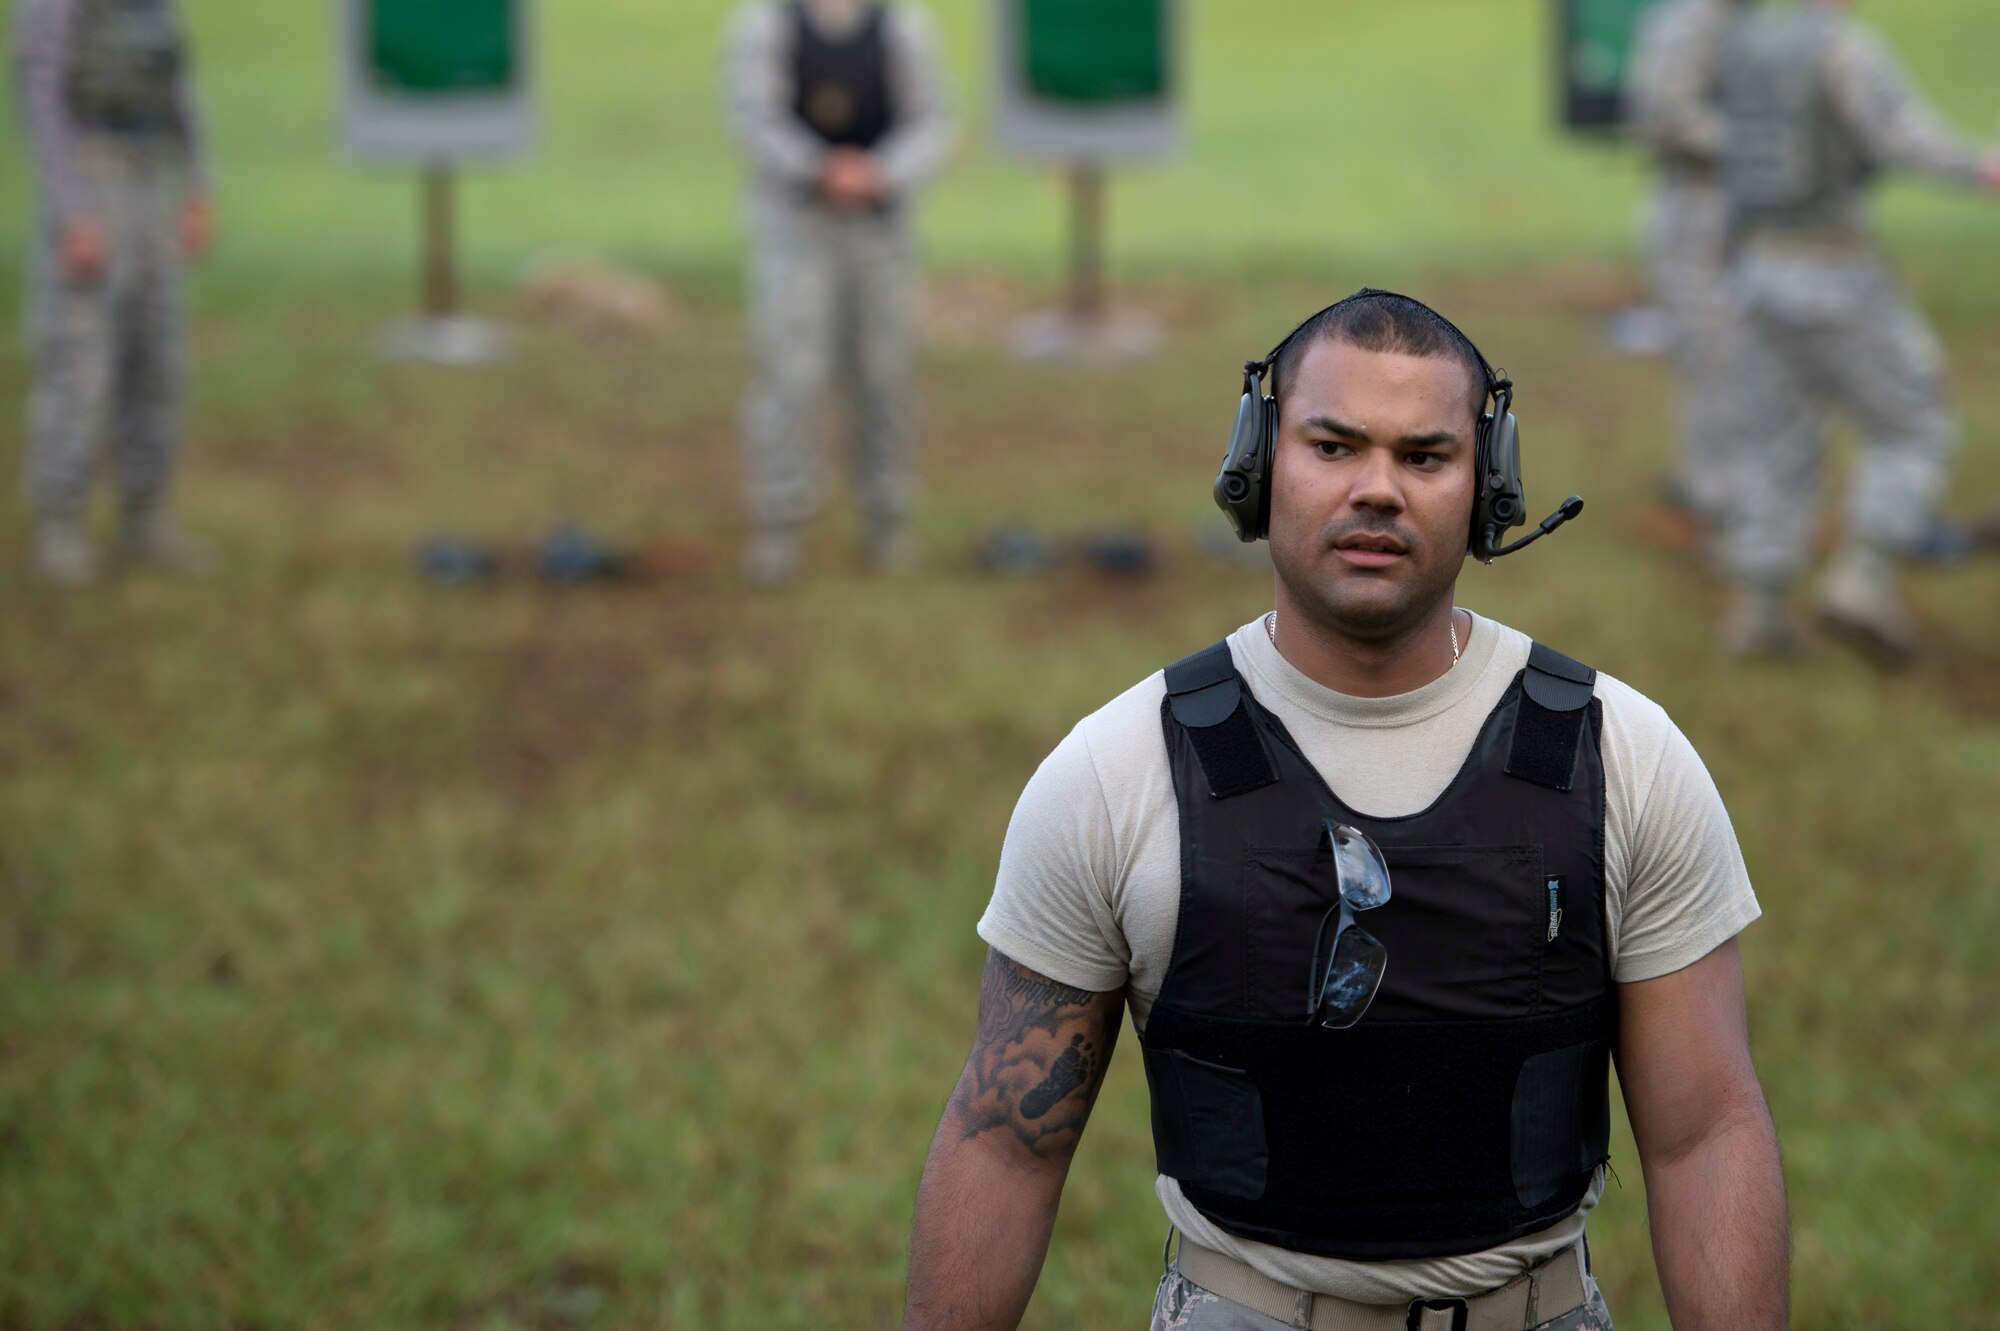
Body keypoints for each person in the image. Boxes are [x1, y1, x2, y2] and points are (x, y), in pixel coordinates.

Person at [905, 291, 1789, 1330]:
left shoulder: (1616, 756)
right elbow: (1006, 1142)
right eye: (1332, 445)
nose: (1376, 488)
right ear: (1259, 463)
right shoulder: (1118, 767)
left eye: (1423, 456)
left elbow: (1703, 1135)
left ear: (1487, 484)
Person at [1714, 0, 2000, 660]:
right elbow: (1896, 134)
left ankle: (1758, 609)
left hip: (1760, 262)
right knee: (1912, 423)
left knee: (1777, 434)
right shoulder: (1843, 49)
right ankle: (1864, 577)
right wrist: (1978, 167)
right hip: (1832, 264)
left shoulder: (1755, 44)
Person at [720, 0, 954, 586]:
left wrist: (881, 173)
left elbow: (934, 121)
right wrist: (819, 169)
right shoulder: (765, 25)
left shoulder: (902, 26)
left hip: (880, 233)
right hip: (796, 233)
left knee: (884, 377)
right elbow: (752, 115)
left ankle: (887, 522)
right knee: (789, 376)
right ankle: (778, 526)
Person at [12, 0, 216, 586]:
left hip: (152, 176)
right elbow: (41, 92)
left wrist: (198, 184)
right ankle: (61, 522)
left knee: (156, 358)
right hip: (92, 174)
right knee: (76, 363)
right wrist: (72, 208)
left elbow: (177, 79)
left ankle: (144, 518)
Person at [1625, 0, 1745, 528]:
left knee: (1725, 348)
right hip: (1694, 209)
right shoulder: (1691, 23)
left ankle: (1713, 477)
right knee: (1711, 346)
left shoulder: (1736, 21)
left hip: (1725, 208)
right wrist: (1759, 144)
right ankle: (1712, 487)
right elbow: (1667, 117)